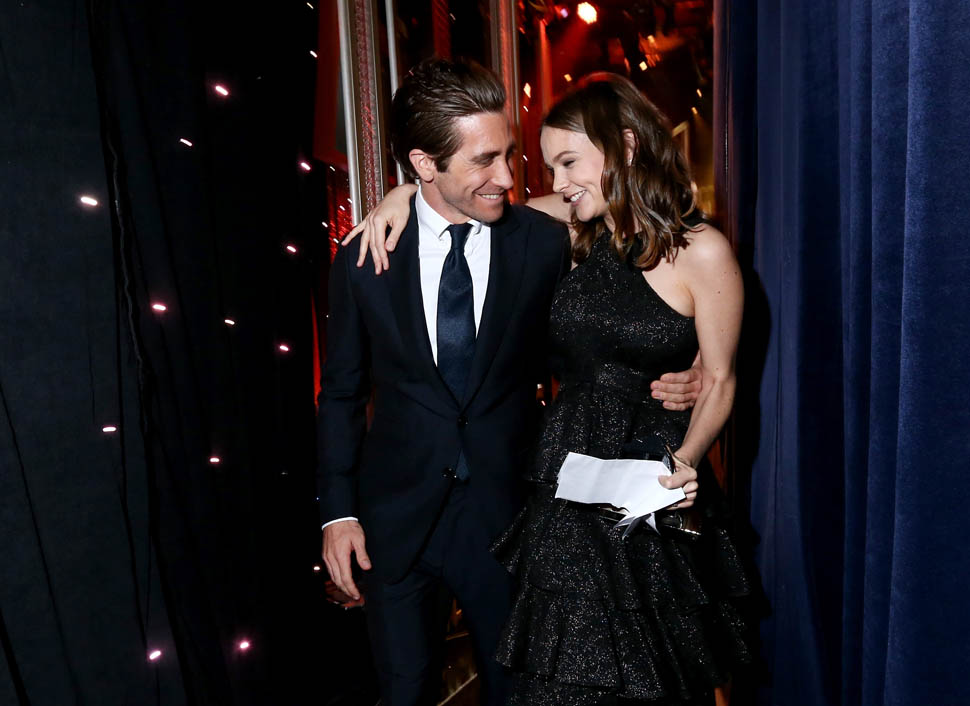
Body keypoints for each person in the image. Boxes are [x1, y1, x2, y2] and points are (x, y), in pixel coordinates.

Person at [346, 73, 750, 705]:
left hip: (649, 476)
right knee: (553, 672)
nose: (552, 181)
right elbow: (459, 203)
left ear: (624, 148)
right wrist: (403, 193)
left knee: (649, 668)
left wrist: (685, 462)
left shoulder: (702, 251)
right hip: (562, 478)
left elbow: (721, 377)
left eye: (567, 163)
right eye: (549, 165)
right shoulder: (573, 231)